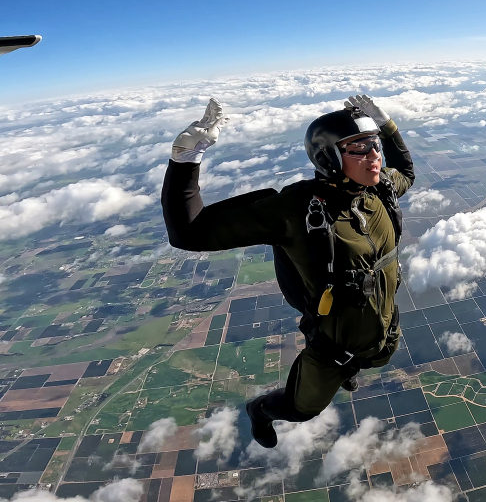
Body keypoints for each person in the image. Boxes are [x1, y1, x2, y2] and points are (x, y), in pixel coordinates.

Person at [161, 95, 414, 448]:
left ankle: (353, 368)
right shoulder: (297, 209)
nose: (375, 156)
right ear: (329, 156)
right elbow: (189, 232)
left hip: (383, 328)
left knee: (375, 357)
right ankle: (260, 411)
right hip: (332, 347)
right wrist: (186, 159)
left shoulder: (380, 189)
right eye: (359, 148)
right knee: (303, 407)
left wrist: (387, 127)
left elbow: (406, 171)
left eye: (375, 146)